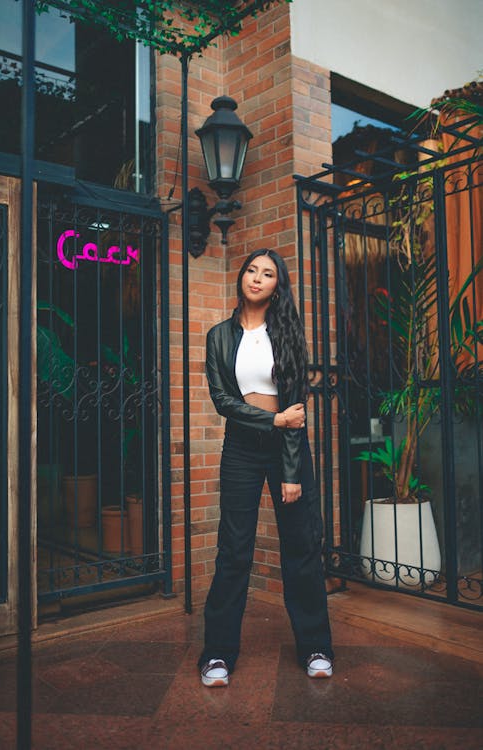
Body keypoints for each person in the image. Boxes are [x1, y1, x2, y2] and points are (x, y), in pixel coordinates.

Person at [198, 248, 333, 687]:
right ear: (241, 277)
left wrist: (292, 471)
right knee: (234, 551)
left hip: (287, 450)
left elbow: (296, 411)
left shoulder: (288, 333)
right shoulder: (219, 336)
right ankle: (217, 654)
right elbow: (224, 403)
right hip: (240, 449)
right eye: (252, 270)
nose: (257, 278)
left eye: (268, 273)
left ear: (278, 285)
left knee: (301, 547)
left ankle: (315, 646)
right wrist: (273, 418)